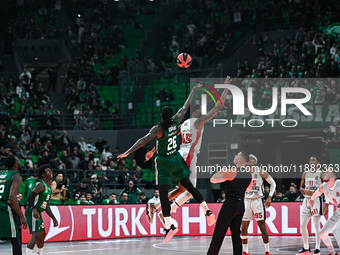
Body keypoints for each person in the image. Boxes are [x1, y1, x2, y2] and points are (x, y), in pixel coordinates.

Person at [118, 84, 216, 244]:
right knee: (189, 188)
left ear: (161, 117)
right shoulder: (177, 121)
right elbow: (185, 106)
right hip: (176, 158)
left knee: (166, 192)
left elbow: (143, 140)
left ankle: (166, 221)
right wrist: (192, 91)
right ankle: (206, 210)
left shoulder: (158, 128)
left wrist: (128, 152)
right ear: (171, 116)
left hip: (164, 161)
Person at [145, 77, 231, 224]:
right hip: (189, 155)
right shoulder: (198, 121)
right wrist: (226, 88)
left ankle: (156, 206)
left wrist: (154, 150)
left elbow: (168, 138)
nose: (203, 112)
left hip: (179, 154)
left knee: (181, 190)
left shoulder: (184, 123)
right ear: (197, 111)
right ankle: (173, 211)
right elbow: (217, 108)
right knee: (191, 191)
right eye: (201, 110)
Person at [207, 151, 252, 255]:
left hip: (230, 204)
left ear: (239, 160)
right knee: (236, 234)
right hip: (241, 206)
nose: (235, 156)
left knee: (219, 233)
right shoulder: (249, 174)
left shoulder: (232, 171)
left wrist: (222, 171)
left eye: (237, 155)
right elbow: (248, 190)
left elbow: (213, 179)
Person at [241, 154, 276, 255]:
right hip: (246, 200)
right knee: (244, 227)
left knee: (262, 226)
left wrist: (269, 196)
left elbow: (273, 183)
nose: (250, 161)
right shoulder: (243, 171)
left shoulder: (260, 171)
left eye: (252, 159)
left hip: (258, 200)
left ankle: (267, 251)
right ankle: (245, 251)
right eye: (249, 159)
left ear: (255, 162)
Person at [297, 155, 328, 255]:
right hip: (306, 200)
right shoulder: (305, 173)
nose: (311, 162)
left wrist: (326, 203)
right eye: (310, 160)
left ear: (318, 163)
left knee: (316, 225)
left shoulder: (321, 173)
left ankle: (317, 248)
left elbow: (326, 188)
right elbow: (300, 189)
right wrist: (304, 190)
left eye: (314, 160)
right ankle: (306, 248)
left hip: (316, 200)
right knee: (302, 225)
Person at [25, 165, 58, 255]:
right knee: (35, 235)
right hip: (32, 212)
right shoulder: (40, 184)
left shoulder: (48, 187)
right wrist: (34, 209)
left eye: (51, 171)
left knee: (42, 234)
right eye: (48, 171)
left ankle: (39, 253)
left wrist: (53, 218)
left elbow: (46, 206)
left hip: (38, 212)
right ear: (43, 174)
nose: (51, 172)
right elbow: (30, 197)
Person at [0, 155, 28, 255]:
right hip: (3, 208)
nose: (20, 162)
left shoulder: (2, 174)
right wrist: (21, 216)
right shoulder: (16, 176)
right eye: (18, 160)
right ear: (16, 165)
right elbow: (11, 197)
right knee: (15, 239)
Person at [309, 170, 339, 255]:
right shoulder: (324, 186)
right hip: (338, 211)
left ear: (333, 177)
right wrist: (311, 199)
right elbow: (317, 193)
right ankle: (332, 253)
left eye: (328, 172)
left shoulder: (339, 184)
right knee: (322, 233)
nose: (325, 173)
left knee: (336, 230)